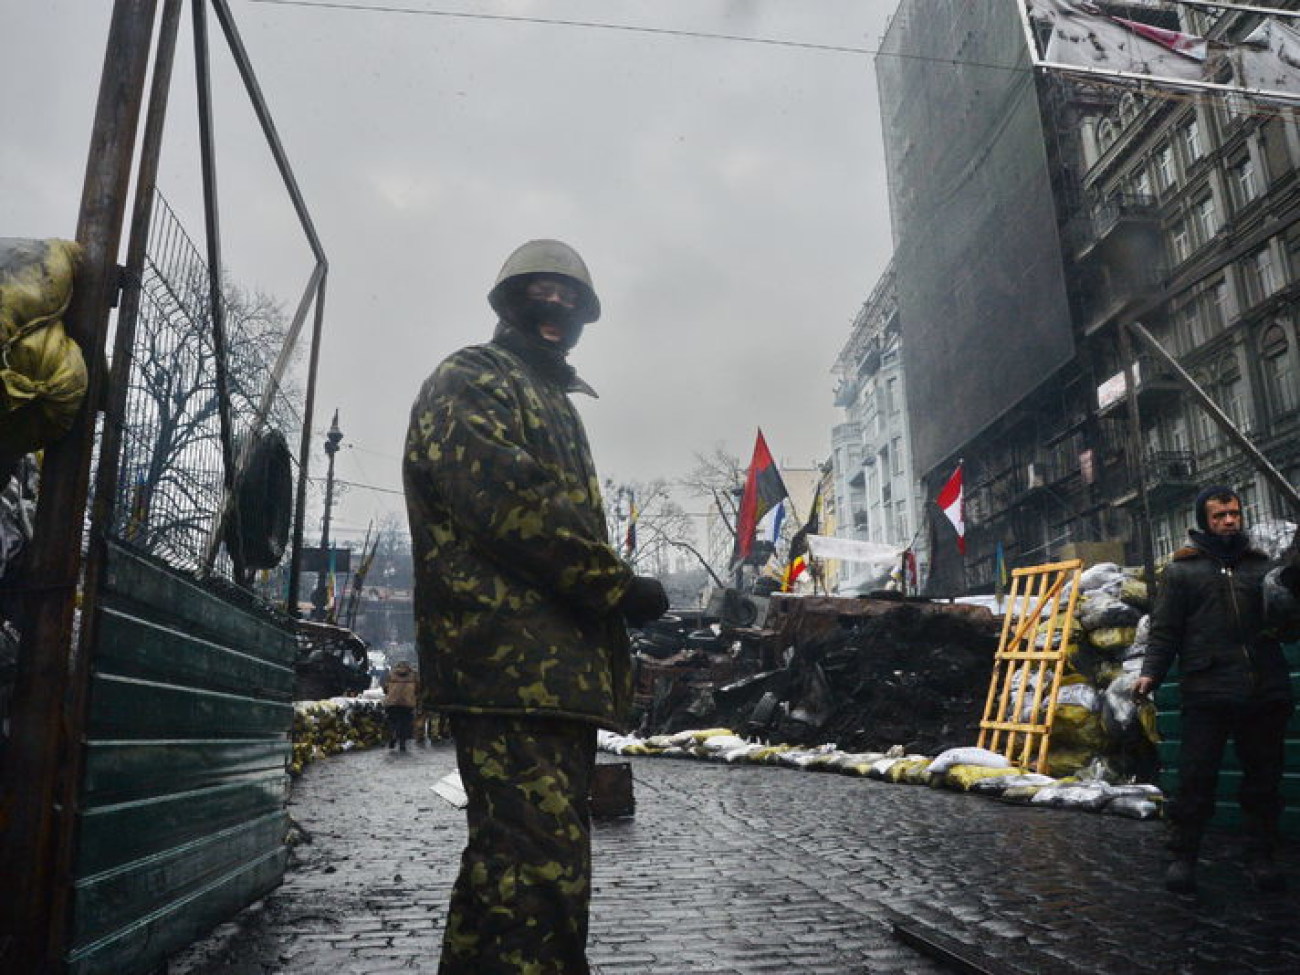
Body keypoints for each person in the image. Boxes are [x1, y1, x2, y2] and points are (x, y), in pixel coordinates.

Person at [402, 239, 668, 974]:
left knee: (510, 873)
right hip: (510, 668)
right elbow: (514, 508)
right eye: (540, 292)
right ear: (506, 303)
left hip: (545, 675)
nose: (557, 309)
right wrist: (619, 587)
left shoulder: (547, 398)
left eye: (572, 298)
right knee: (538, 877)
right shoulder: (474, 378)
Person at [1134, 485, 1299, 894]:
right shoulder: (1182, 572)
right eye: (1219, 516)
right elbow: (1165, 630)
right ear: (1204, 522)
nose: (1228, 521)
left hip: (1264, 688)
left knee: (1264, 781)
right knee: (1196, 780)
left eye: (1233, 514)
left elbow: (1286, 626)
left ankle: (1261, 856)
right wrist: (1150, 672)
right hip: (1207, 690)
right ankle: (1183, 857)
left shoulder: (1261, 569)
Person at [382, 659, 419, 751]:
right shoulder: (413, 675)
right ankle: (402, 743)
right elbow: (418, 688)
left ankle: (392, 735)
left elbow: (385, 688)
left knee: (392, 721)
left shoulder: (391, 674)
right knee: (405, 723)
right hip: (407, 703)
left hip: (392, 703)